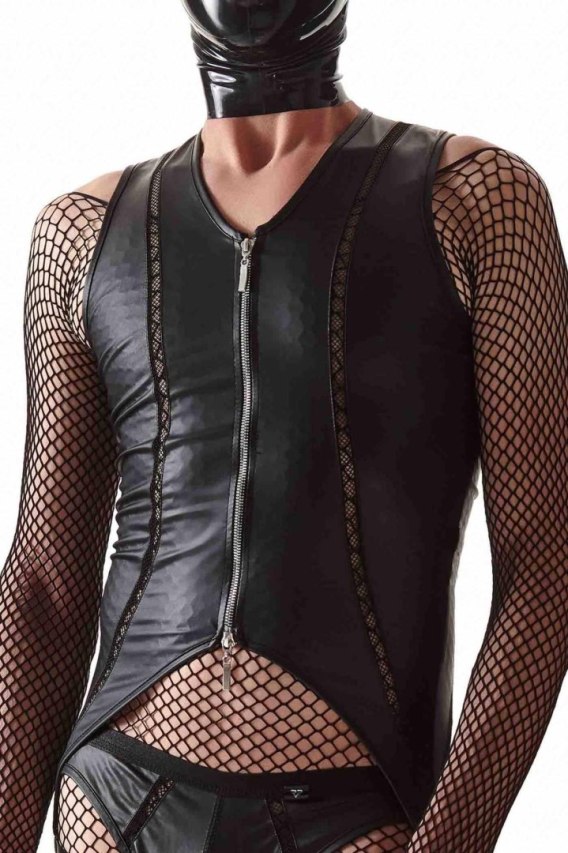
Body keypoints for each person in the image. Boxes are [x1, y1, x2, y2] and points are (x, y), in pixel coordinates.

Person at [0, 1, 566, 851]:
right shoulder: (82, 234)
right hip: (115, 800)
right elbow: (45, 583)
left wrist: (450, 841)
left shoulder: (473, 198)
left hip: (356, 813)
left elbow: (545, 565)